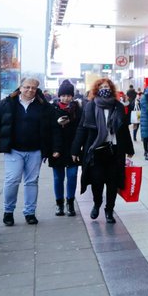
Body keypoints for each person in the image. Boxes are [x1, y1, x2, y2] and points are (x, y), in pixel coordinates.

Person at [0, 77, 53, 226]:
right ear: (20, 88)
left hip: (35, 151)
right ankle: (8, 212)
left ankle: (30, 213)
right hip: (14, 150)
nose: (30, 90)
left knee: (31, 182)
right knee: (12, 180)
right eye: (27, 87)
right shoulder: (8, 103)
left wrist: (52, 149)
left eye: (34, 88)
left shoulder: (43, 105)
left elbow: (50, 128)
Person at [72, 78, 134, 223]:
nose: (104, 89)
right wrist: (75, 149)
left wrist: (129, 148)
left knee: (113, 183)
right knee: (97, 181)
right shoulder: (90, 106)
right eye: (101, 87)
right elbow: (82, 129)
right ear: (96, 89)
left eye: (107, 86)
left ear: (111, 89)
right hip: (96, 151)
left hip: (114, 150)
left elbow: (123, 128)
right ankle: (97, 203)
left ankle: (109, 210)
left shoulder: (117, 106)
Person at [49, 80, 81, 217]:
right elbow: (47, 130)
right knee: (58, 177)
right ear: (59, 95)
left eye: (68, 95)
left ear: (72, 96)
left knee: (72, 176)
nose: (65, 98)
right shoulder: (52, 109)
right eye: (63, 95)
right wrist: (57, 124)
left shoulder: (78, 110)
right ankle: (59, 204)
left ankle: (70, 202)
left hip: (73, 148)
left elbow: (81, 130)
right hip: (57, 149)